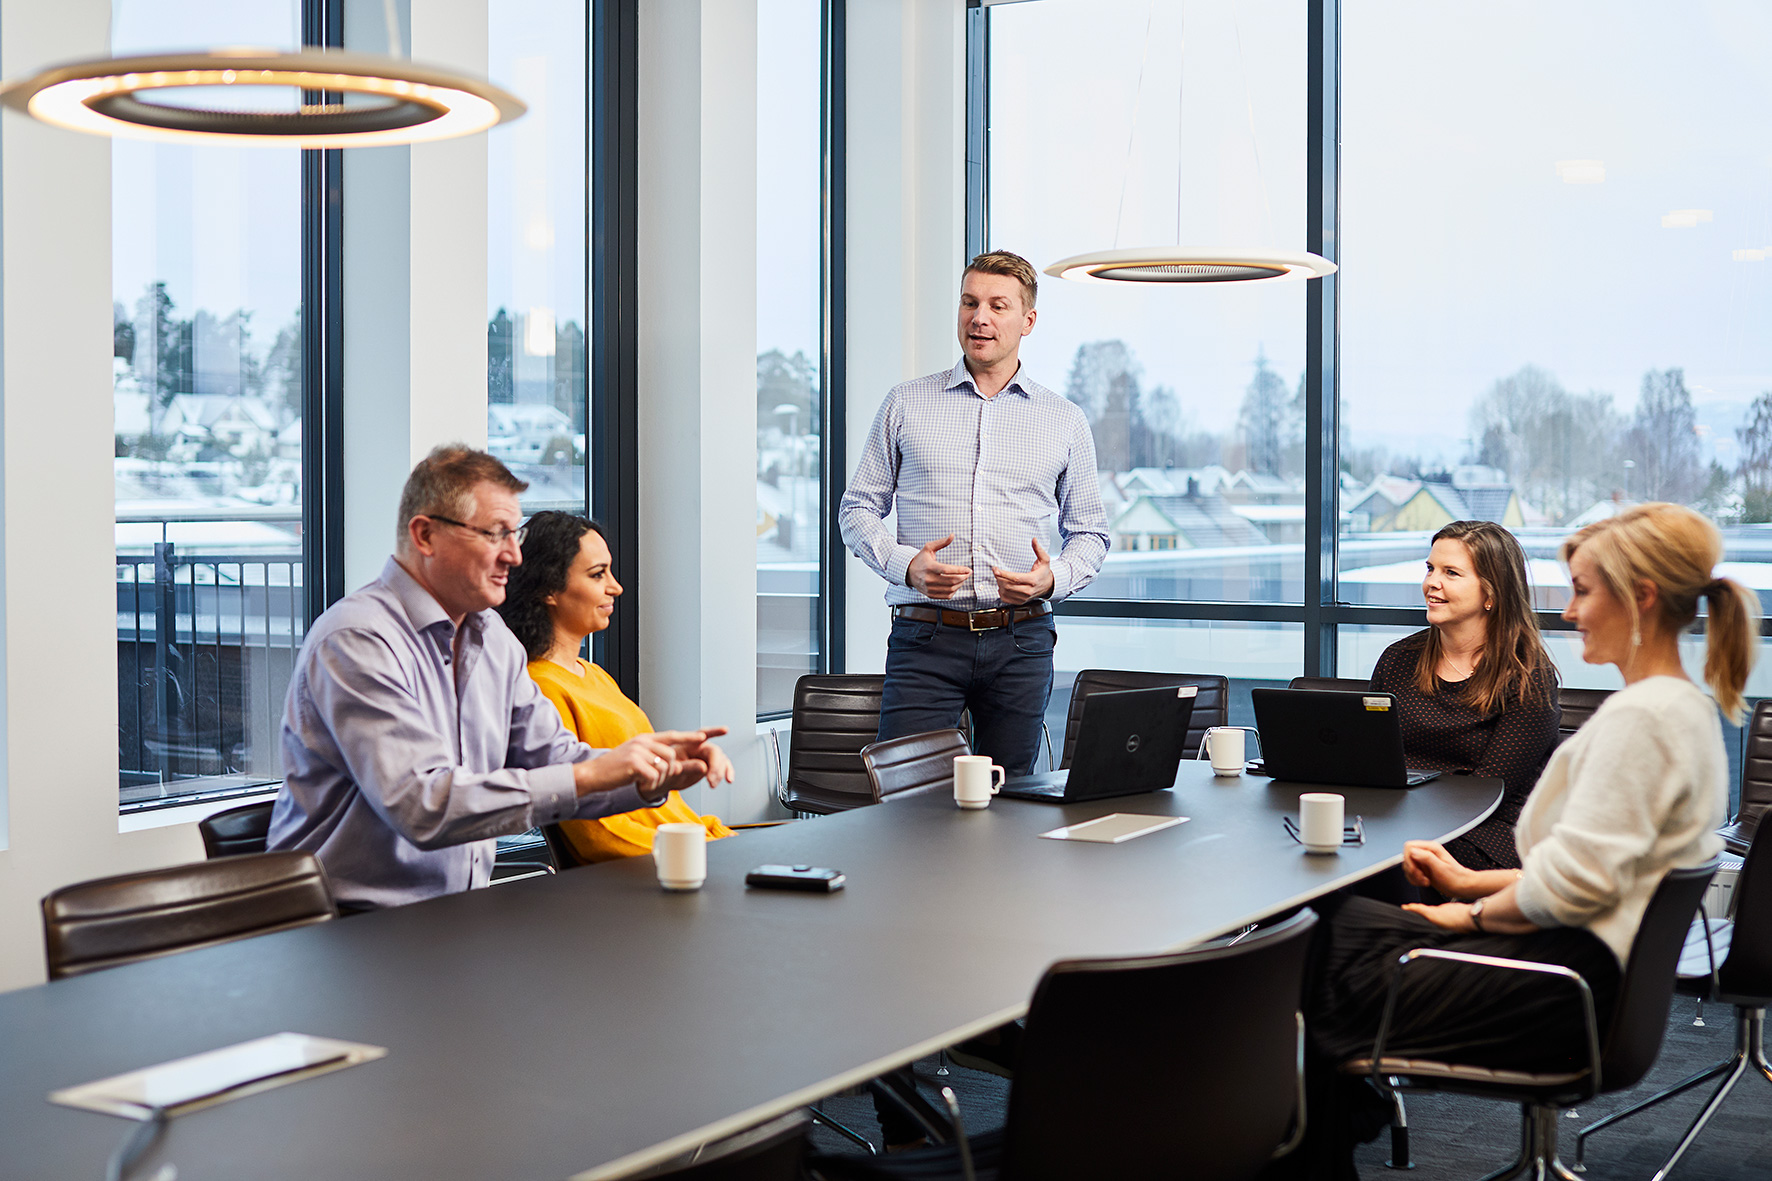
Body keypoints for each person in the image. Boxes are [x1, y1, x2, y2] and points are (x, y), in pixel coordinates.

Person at [1293, 503, 1753, 1180]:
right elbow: (1599, 874)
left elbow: (1571, 887)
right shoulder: (1681, 711)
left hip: (1564, 989)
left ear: (1641, 597)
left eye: (1584, 590)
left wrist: (1463, 912)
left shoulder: (1641, 721)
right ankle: (1322, 1130)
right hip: (1588, 972)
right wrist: (1467, 882)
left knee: (1319, 955)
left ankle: (1302, 1140)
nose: (1569, 612)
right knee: (1352, 924)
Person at [268, 445, 732, 911]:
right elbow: (422, 805)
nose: (513, 555)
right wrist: (591, 773)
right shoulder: (357, 640)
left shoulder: (493, 639)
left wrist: (649, 774)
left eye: (514, 534)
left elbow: (554, 758)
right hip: (346, 929)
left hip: (454, 916)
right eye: (495, 534)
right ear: (425, 535)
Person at [838, 250, 1110, 778]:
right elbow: (858, 509)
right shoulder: (906, 403)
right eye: (969, 302)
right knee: (908, 799)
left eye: (997, 305)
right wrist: (906, 565)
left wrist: (1049, 579)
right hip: (926, 639)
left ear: (1027, 321)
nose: (979, 317)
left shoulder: (1065, 420)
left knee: (1012, 803)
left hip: (1021, 642)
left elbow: (1091, 535)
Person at [496, 511, 734, 863]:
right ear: (549, 589)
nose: (616, 587)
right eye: (597, 575)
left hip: (691, 848)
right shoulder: (540, 687)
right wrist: (704, 854)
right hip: (657, 868)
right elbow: (596, 834)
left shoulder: (593, 675)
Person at [1369, 520, 1560, 870]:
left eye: (1451, 573)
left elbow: (1486, 794)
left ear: (1491, 593)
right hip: (1395, 824)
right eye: (1430, 568)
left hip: (1484, 834)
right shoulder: (1398, 660)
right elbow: (1369, 760)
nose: (1431, 583)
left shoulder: (1528, 678)